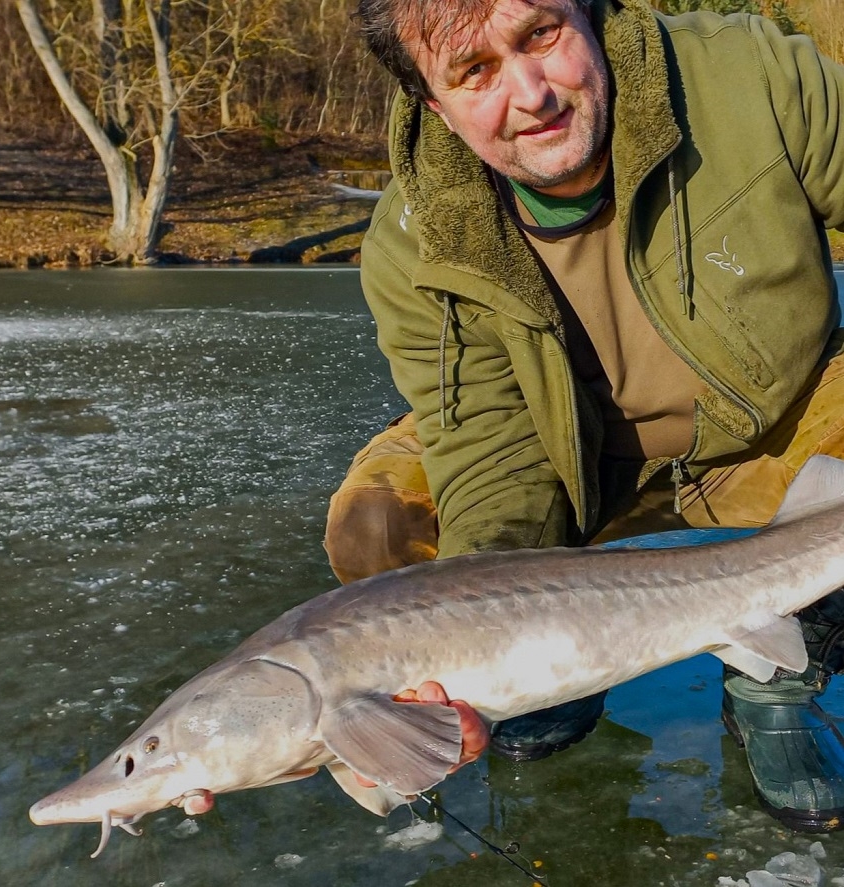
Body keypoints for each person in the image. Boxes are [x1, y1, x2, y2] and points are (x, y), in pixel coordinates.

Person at [325, 0, 844, 831]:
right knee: (379, 523)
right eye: (474, 72)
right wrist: (479, 645)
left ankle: (778, 679)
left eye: (541, 34)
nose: (531, 93)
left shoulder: (751, 75)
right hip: (565, 459)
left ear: (590, 14)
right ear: (432, 103)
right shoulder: (410, 240)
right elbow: (491, 450)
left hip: (772, 424)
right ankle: (552, 666)